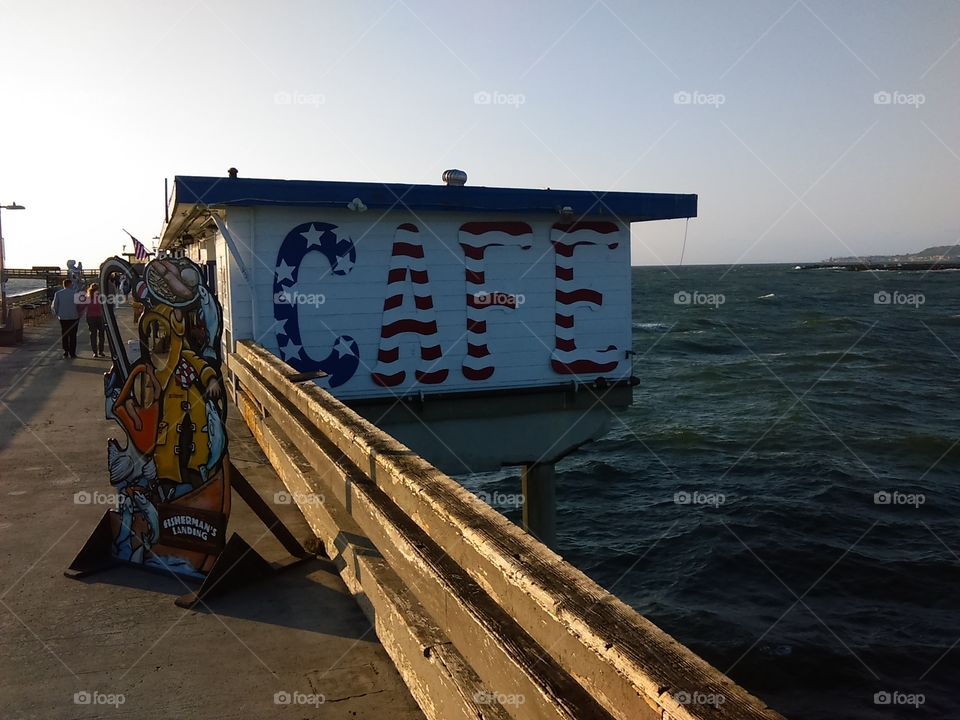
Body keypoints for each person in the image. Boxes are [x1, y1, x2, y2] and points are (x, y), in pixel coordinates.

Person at [51, 279, 80, 358]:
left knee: (65, 334)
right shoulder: (75, 293)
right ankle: (72, 353)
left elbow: (55, 305)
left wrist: (57, 313)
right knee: (73, 335)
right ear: (70, 284)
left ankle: (65, 351)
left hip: (63, 317)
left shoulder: (58, 294)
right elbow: (79, 305)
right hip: (74, 316)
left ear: (64, 285)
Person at [84, 283, 107, 357]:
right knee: (101, 334)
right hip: (100, 317)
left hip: (90, 317)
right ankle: (101, 351)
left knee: (93, 334)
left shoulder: (87, 297)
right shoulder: (101, 297)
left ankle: (95, 352)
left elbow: (83, 307)